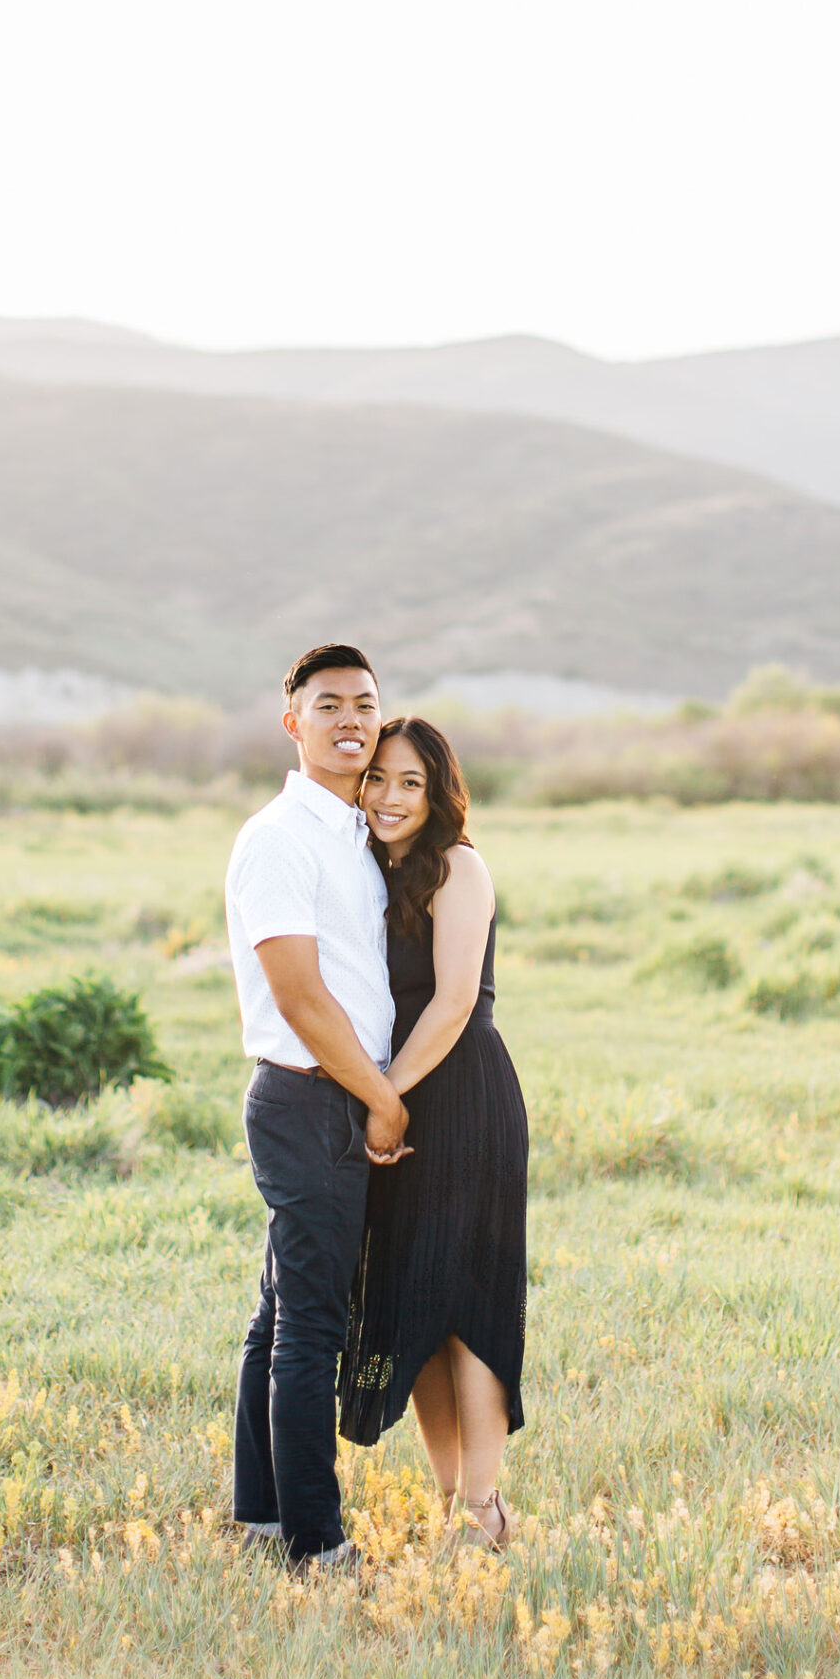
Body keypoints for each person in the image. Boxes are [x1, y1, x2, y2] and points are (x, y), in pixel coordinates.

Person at [225, 643, 409, 1570]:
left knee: (278, 1317)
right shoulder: (277, 837)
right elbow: (297, 995)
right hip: (310, 1101)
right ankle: (314, 1540)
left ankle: (258, 1513)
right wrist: (381, 1100)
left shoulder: (352, 834)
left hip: (334, 1094)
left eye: (365, 705)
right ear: (291, 720)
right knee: (310, 1328)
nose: (350, 720)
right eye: (329, 704)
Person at [338, 717, 528, 1548]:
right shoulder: (366, 868)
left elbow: (453, 1001)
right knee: (413, 1298)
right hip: (395, 1094)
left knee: (468, 1306)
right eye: (377, 778)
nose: (388, 796)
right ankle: (452, 1497)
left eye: (409, 782)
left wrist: (383, 1095)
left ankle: (482, 1506)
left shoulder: (459, 866)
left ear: (438, 791)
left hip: (458, 1096)